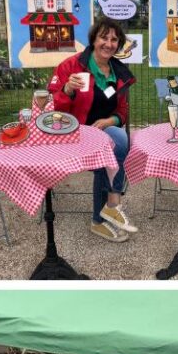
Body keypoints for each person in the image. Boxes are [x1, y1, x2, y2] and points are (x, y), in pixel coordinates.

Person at [49, 17, 137, 243]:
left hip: (103, 134)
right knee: (113, 148)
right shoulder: (71, 66)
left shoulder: (119, 72)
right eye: (103, 38)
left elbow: (123, 112)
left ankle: (105, 213)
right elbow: (56, 111)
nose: (108, 43)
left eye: (114, 39)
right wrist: (68, 89)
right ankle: (108, 209)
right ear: (93, 39)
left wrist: (110, 121)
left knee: (115, 141)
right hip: (75, 134)